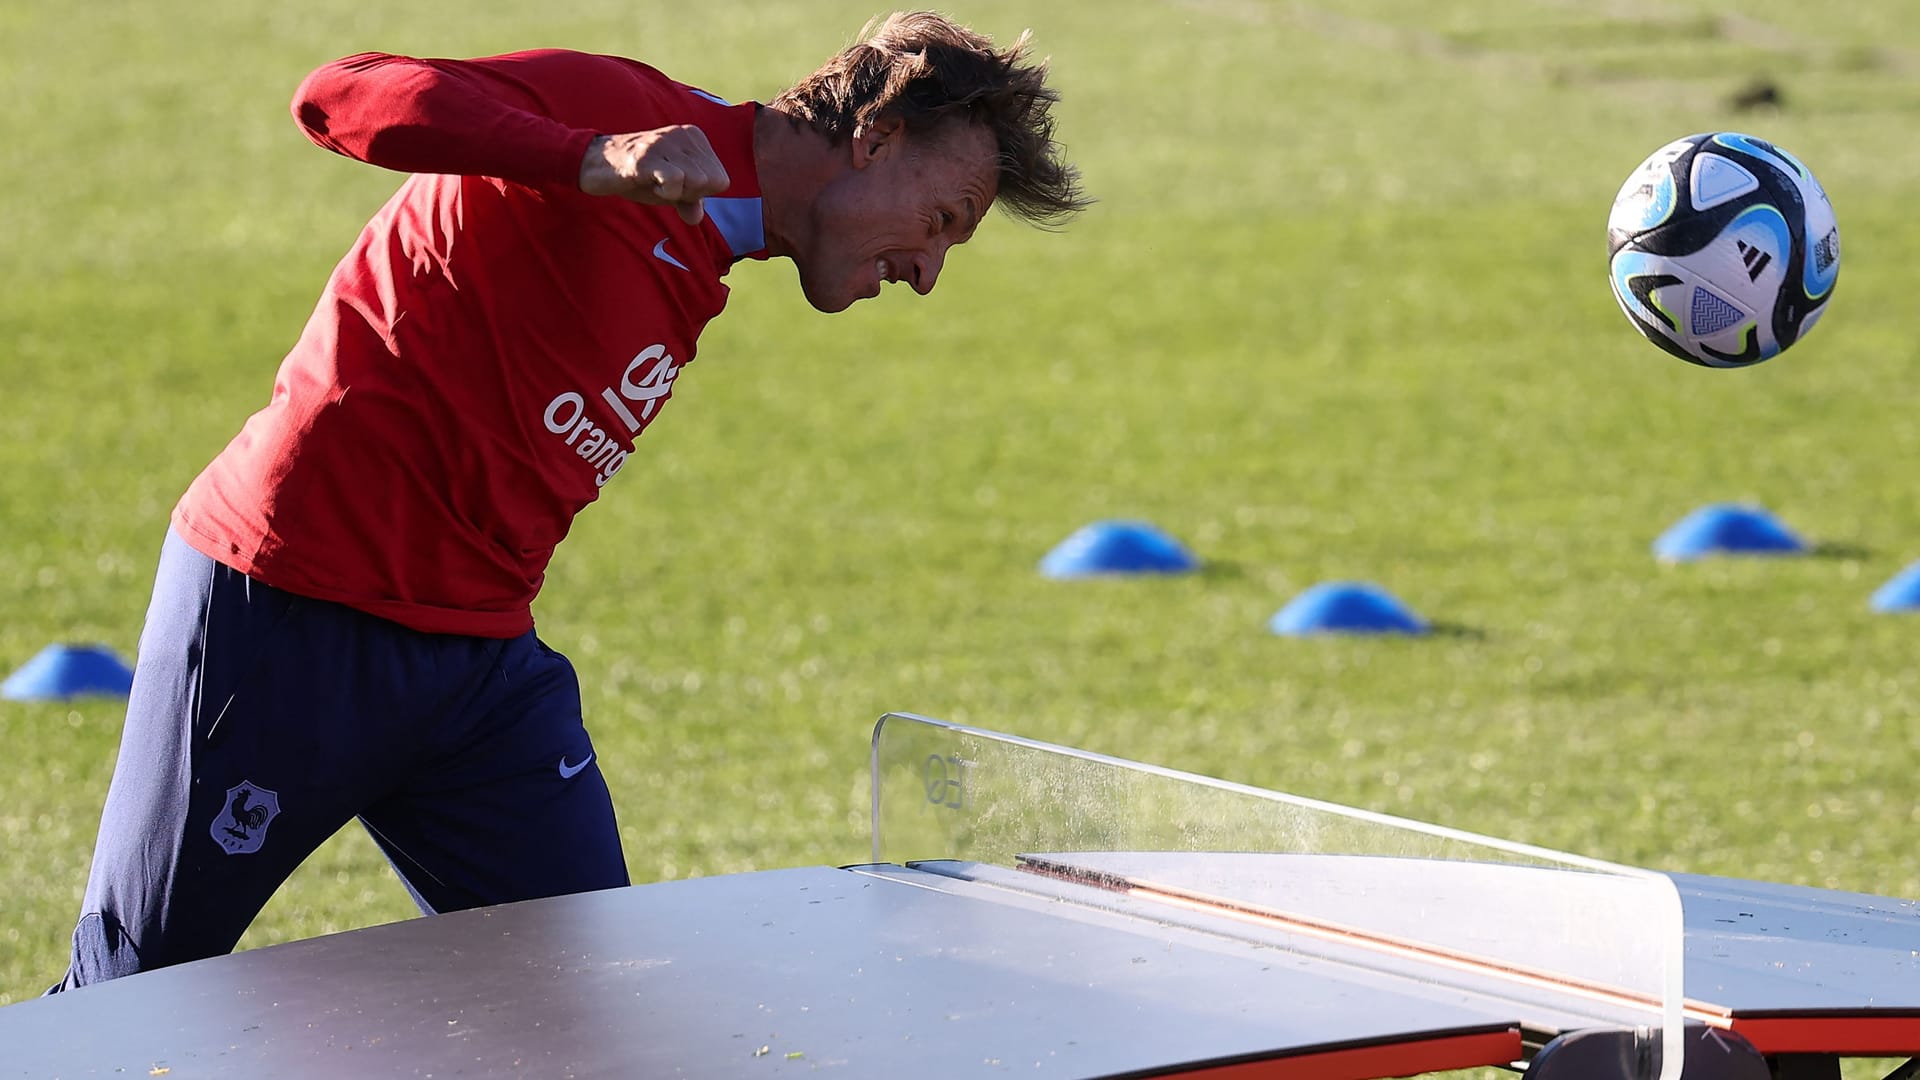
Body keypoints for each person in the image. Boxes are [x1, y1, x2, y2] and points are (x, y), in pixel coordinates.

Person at [54, 10, 1087, 990]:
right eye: (942, 222)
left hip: (478, 675)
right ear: (876, 135)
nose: (927, 273)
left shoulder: (712, 251)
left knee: (589, 1009)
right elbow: (341, 95)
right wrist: (587, 158)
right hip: (287, 613)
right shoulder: (618, 111)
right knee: (132, 996)